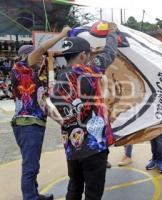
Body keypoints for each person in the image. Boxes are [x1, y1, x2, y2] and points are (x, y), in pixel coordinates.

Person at [50, 22, 118, 200]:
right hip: (93, 147)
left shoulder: (59, 79)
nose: (89, 58)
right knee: (93, 193)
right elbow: (110, 52)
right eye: (88, 55)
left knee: (74, 188)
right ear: (82, 55)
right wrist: (112, 33)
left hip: (72, 146)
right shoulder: (91, 70)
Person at [10, 26, 71, 200]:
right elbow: (42, 48)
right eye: (38, 56)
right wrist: (62, 34)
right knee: (30, 166)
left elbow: (44, 104)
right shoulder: (21, 68)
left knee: (32, 163)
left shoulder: (37, 78)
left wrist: (61, 121)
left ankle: (34, 193)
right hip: (27, 124)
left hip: (34, 124)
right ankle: (30, 197)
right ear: (26, 57)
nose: (42, 58)